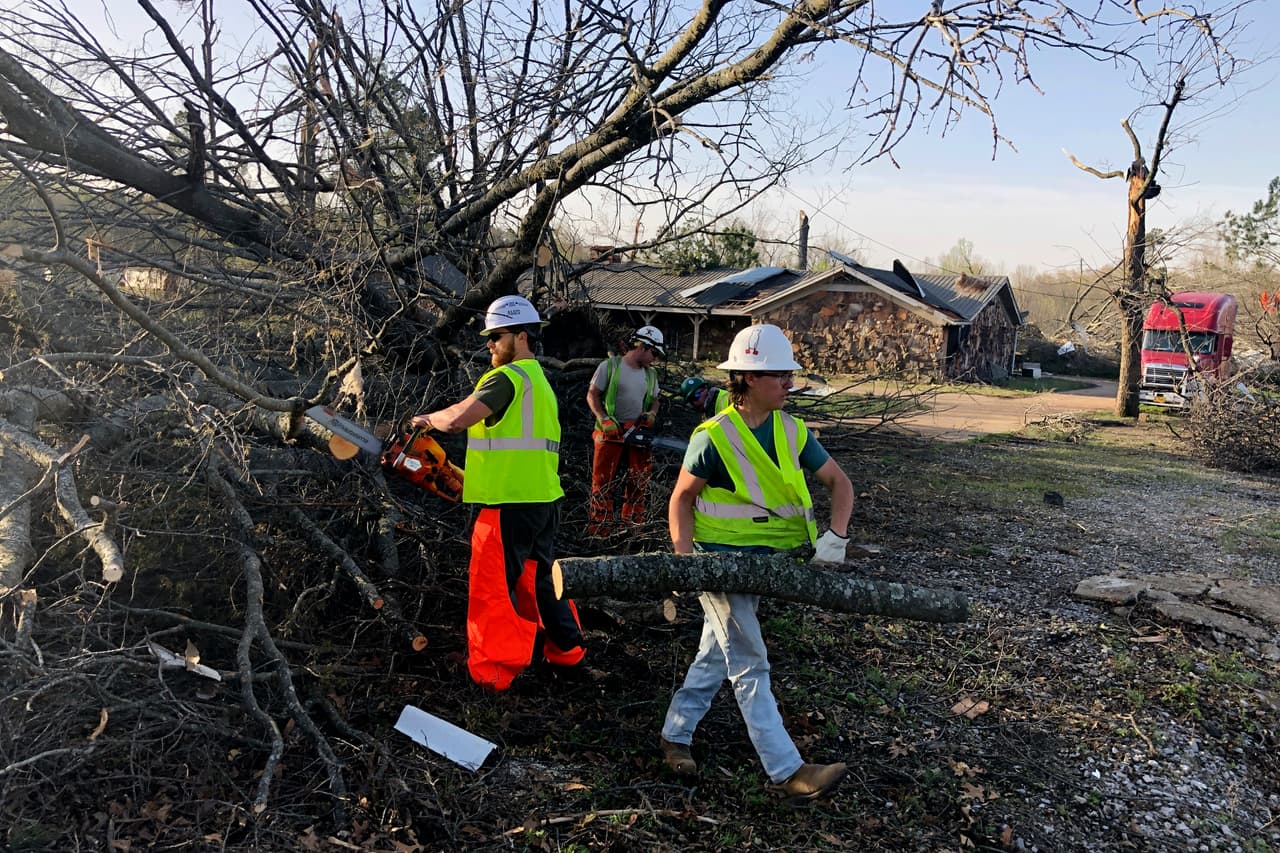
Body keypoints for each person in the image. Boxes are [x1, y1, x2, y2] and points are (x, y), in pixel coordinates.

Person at [659, 323, 855, 803]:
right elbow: (681, 500)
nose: (790, 383)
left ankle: (675, 735)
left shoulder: (792, 430)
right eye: (779, 375)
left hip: (765, 566)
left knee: (714, 654)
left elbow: (840, 483)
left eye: (790, 374)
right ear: (747, 378)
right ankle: (787, 770)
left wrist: (837, 537)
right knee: (749, 661)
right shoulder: (713, 437)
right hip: (718, 565)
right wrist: (685, 562)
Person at [411, 295, 585, 691]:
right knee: (540, 583)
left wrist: (426, 420)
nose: (489, 343)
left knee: (491, 588)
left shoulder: (507, 378)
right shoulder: (538, 381)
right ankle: (567, 652)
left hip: (506, 506)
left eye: (497, 336)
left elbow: (457, 419)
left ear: (522, 336)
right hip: (541, 501)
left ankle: (492, 672)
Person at [585, 325, 665, 536]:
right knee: (603, 483)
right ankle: (600, 530)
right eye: (654, 353)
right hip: (610, 433)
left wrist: (652, 414)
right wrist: (604, 419)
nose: (654, 359)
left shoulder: (651, 374)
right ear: (642, 346)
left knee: (638, 483)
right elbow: (592, 394)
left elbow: (656, 400)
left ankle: (631, 529)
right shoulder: (610, 366)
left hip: (637, 433)